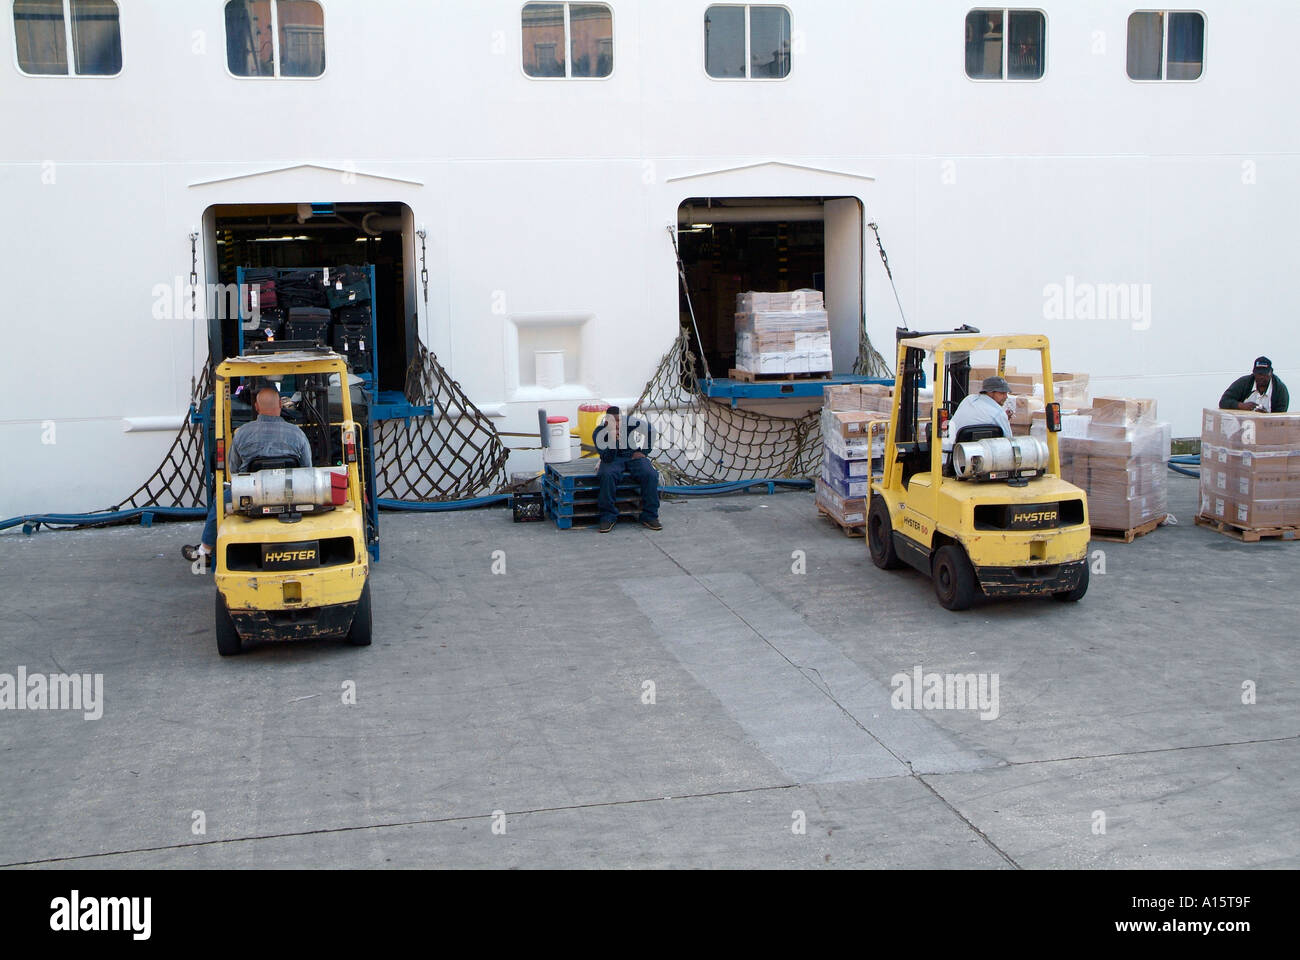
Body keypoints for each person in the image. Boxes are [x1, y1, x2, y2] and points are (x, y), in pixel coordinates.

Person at [182, 382, 313, 566]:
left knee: (220, 500)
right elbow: (307, 469)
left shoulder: (242, 433)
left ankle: (205, 550)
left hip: (250, 494)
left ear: (257, 407)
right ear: (281, 406)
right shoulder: (297, 434)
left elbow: (234, 471)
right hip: (290, 493)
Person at [592, 406, 661, 533]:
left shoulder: (629, 422)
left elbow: (651, 430)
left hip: (632, 456)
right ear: (607, 422)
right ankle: (608, 516)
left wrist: (644, 452)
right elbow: (606, 458)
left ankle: (650, 515)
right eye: (614, 422)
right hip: (612, 458)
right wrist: (613, 440)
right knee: (607, 475)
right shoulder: (598, 433)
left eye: (619, 421)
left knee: (650, 474)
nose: (618, 424)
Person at [948, 375, 1013, 440]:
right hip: (973, 448)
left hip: (949, 446)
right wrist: (1003, 417)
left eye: (1006, 393)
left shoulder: (968, 399)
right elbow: (1009, 441)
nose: (1006, 397)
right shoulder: (998, 413)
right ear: (990, 392)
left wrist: (1003, 417)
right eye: (1002, 393)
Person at [1219, 356, 1289, 413]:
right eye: (1259, 374)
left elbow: (1280, 417)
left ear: (1271, 372)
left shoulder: (1280, 389)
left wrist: (1266, 416)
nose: (1261, 377)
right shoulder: (1243, 383)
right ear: (1253, 372)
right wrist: (1241, 406)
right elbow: (1223, 402)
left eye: (1265, 374)